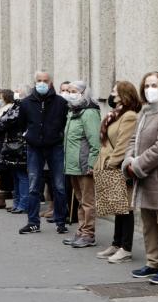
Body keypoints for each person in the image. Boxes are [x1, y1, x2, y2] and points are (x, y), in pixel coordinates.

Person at [122, 72, 158, 283]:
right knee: (148, 223)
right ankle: (153, 261)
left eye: (154, 85)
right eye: (146, 85)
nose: (150, 89)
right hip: (144, 177)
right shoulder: (145, 112)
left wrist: (137, 165)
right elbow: (133, 140)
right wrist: (128, 160)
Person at [17, 71, 69, 235]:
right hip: (34, 147)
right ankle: (33, 222)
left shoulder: (60, 102)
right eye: (39, 80)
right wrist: (29, 136)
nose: (42, 83)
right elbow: (22, 123)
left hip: (55, 146)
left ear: (51, 82)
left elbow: (64, 123)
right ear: (34, 82)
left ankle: (60, 221)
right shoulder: (26, 103)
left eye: (45, 81)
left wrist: (57, 135)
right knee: (34, 186)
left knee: (59, 185)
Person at [95, 81, 140, 261]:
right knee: (117, 207)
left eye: (115, 91)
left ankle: (126, 248)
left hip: (118, 166)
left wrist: (111, 163)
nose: (112, 94)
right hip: (108, 162)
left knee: (125, 208)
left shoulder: (129, 116)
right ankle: (116, 244)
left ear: (124, 94)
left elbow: (123, 143)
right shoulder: (115, 113)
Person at [61, 80, 101, 247]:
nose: (70, 93)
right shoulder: (73, 112)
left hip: (84, 165)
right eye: (68, 90)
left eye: (73, 90)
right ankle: (81, 230)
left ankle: (88, 234)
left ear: (83, 92)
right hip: (73, 165)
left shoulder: (89, 113)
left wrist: (92, 164)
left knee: (88, 201)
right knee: (79, 199)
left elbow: (95, 142)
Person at [0, 88, 28, 214]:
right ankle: (17, 202)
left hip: (20, 144)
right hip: (11, 144)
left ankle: (23, 204)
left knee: (22, 175)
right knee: (15, 175)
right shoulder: (15, 106)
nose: (16, 93)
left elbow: (6, 121)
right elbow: (1, 122)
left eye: (19, 91)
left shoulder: (23, 106)